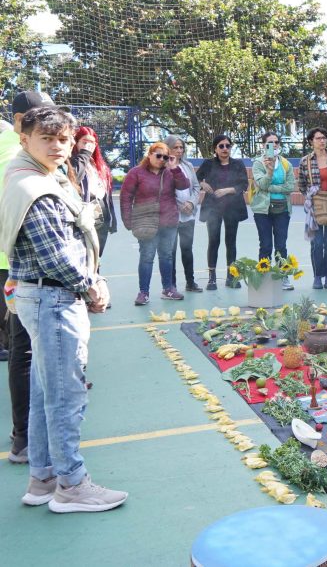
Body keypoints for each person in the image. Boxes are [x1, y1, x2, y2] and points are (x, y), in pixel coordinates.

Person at [0, 105, 127, 513]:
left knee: (43, 392)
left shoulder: (34, 176)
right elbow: (56, 255)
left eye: (64, 139)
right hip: (54, 298)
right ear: (25, 139)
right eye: (47, 138)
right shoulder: (32, 188)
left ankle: (44, 477)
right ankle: (72, 484)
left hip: (41, 297)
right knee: (65, 396)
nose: (58, 146)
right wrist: (92, 286)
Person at [1, 91, 53, 463]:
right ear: (20, 123)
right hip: (17, 263)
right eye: (37, 117)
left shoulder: (33, 146)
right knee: (26, 348)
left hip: (20, 258)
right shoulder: (15, 146)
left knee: (29, 345)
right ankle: (25, 437)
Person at [119, 142, 191, 305]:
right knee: (147, 257)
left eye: (165, 157)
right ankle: (143, 292)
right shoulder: (136, 173)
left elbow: (184, 185)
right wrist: (128, 221)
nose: (161, 159)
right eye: (158, 155)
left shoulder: (170, 172)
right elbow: (126, 197)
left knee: (166, 256)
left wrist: (174, 168)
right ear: (149, 154)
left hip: (169, 222)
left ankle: (168, 289)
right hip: (145, 222)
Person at [196, 134, 249, 290]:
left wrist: (228, 190)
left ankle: (231, 276)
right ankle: (212, 278)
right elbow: (195, 179)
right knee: (214, 242)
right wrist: (202, 184)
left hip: (232, 208)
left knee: (230, 242)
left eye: (228, 145)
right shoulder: (208, 164)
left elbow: (244, 184)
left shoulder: (238, 164)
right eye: (221, 146)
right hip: (213, 208)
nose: (225, 149)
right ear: (215, 149)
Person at [251, 132, 296, 290]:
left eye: (276, 142)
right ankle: (263, 277)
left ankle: (283, 277)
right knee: (265, 245)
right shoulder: (258, 163)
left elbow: (291, 186)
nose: (274, 145)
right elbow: (261, 184)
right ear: (264, 145)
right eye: (270, 142)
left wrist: (271, 187)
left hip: (282, 209)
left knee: (281, 245)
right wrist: (269, 172)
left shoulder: (286, 164)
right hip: (262, 210)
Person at [298, 127, 327, 289]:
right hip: (314, 206)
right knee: (316, 244)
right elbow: (302, 184)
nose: (322, 140)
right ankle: (317, 276)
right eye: (318, 138)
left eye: (324, 137)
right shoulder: (305, 161)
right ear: (311, 141)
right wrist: (312, 196)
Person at [70, 127, 117, 256]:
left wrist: (112, 219)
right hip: (84, 215)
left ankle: (96, 274)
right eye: (84, 142)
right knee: (86, 256)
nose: (88, 146)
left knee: (97, 256)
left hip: (102, 215)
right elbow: (74, 178)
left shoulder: (99, 164)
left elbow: (107, 193)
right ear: (76, 142)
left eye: (91, 143)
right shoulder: (73, 161)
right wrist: (84, 154)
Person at [164, 135, 202, 293]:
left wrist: (191, 203)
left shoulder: (188, 165)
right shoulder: (163, 167)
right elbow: (165, 191)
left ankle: (190, 282)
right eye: (175, 147)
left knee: (187, 249)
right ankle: (171, 285)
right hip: (171, 217)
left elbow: (196, 187)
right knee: (170, 252)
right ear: (168, 148)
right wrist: (181, 205)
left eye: (181, 148)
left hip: (189, 216)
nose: (179, 151)